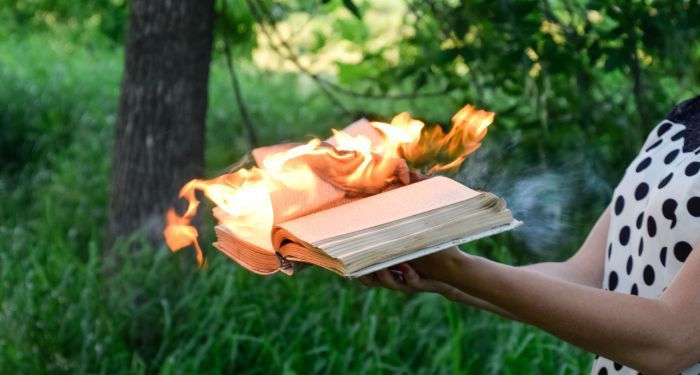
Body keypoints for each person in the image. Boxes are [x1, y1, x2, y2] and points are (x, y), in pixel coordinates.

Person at [359, 96, 700, 374]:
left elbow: (672, 341)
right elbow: (583, 278)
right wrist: (447, 278)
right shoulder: (681, 120)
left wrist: (456, 269)